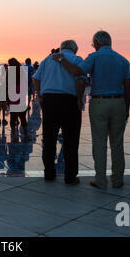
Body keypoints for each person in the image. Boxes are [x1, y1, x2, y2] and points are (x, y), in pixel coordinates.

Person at [54, 31, 130, 189]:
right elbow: (128, 86)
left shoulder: (94, 57)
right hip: (119, 102)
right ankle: (117, 179)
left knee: (99, 142)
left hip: (100, 102)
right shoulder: (123, 60)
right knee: (117, 143)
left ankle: (101, 180)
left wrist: (61, 59)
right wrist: (127, 107)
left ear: (96, 43)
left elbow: (77, 71)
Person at [33, 40, 85, 185]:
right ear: (75, 49)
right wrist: (80, 99)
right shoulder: (77, 59)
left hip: (49, 100)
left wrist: (40, 95)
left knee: (49, 139)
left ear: (62, 48)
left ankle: (49, 174)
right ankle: (70, 177)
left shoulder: (47, 59)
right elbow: (80, 80)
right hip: (69, 101)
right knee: (71, 140)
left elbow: (36, 78)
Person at [7, 58, 29, 142]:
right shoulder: (22, 71)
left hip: (13, 94)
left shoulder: (10, 72)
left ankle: (13, 135)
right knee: (22, 116)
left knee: (13, 117)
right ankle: (26, 135)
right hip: (21, 94)